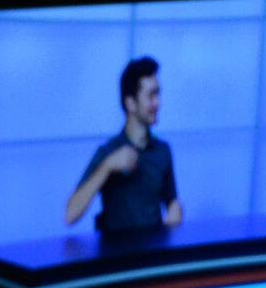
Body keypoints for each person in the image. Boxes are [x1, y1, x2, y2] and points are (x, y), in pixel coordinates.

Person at [64, 55, 184, 231]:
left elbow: (172, 202)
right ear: (130, 103)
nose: (158, 103)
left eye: (158, 94)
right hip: (117, 255)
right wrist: (107, 167)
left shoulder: (162, 150)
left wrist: (176, 211)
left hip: (155, 254)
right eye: (151, 96)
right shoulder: (109, 151)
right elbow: (70, 215)